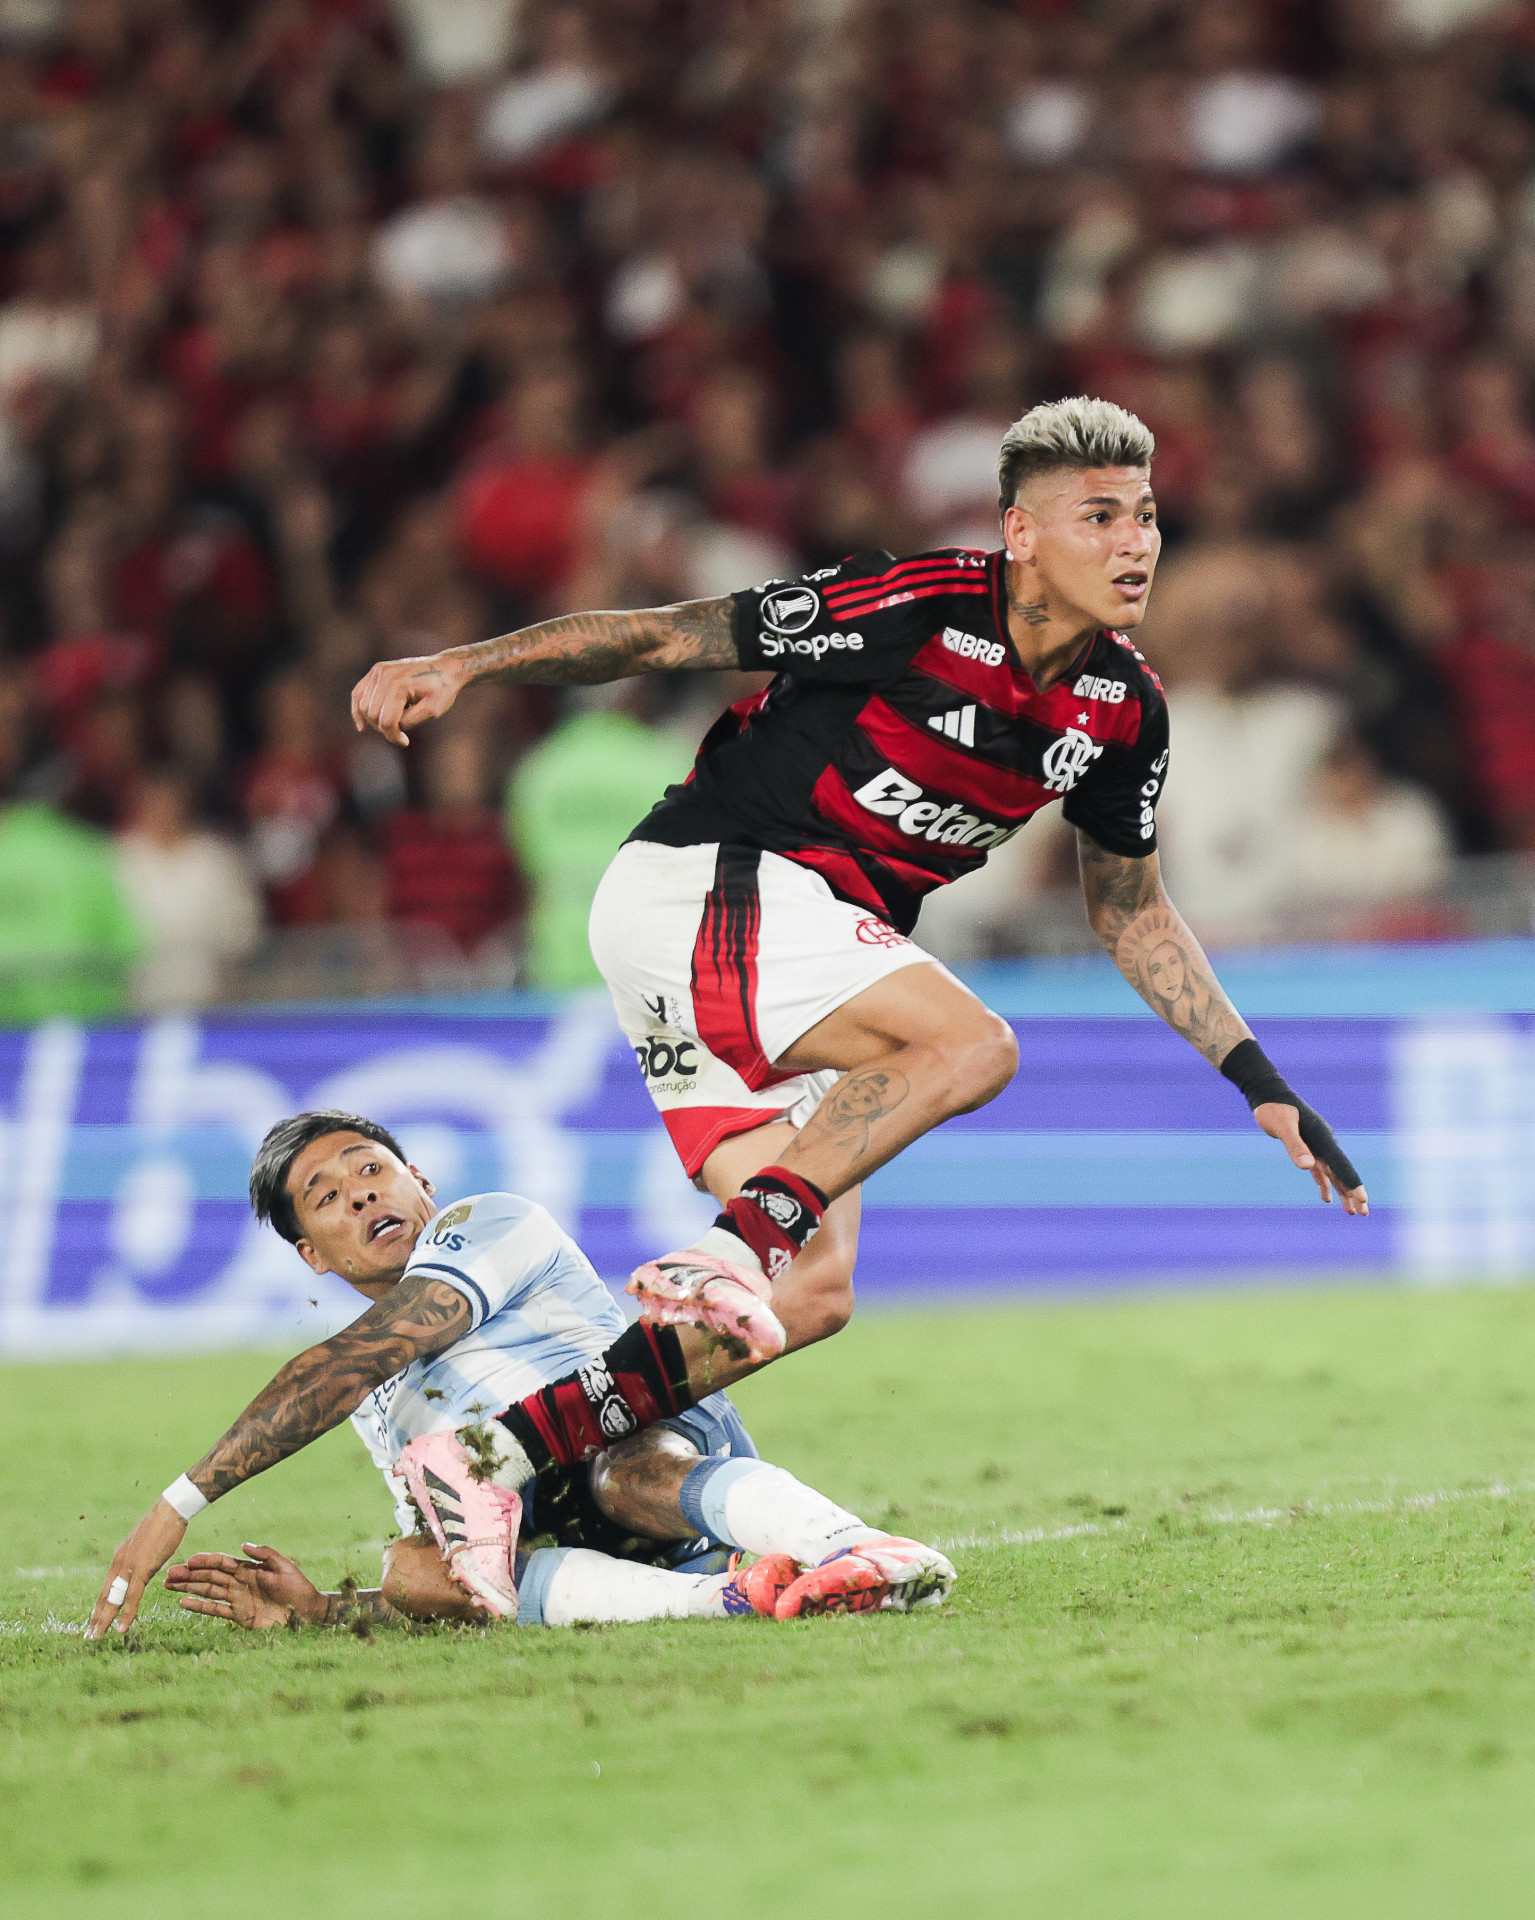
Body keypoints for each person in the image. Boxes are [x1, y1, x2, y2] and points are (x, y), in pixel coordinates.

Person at [349, 396, 1368, 1365]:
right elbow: (666, 634)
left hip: (789, 944)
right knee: (969, 1045)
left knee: (810, 1296)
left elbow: (1132, 915)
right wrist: (465, 664)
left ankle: (520, 1444)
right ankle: (730, 1247)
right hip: (710, 879)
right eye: (1097, 517)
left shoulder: (1122, 709)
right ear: (1019, 533)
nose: (1133, 542)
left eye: (1143, 515)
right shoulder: (917, 605)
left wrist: (1259, 1083)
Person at [88, 1111, 953, 1637]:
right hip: (570, 1530)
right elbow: (468, 1575)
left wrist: (175, 1507)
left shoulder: (487, 1223)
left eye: (371, 1169)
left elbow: (356, 1356)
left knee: (615, 1468)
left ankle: (857, 1548)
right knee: (415, 1566)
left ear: (419, 1181)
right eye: (325, 1196)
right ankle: (723, 1599)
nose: (359, 1193)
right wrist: (318, 1611)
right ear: (313, 1254)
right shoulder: (373, 1403)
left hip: (641, 1432)